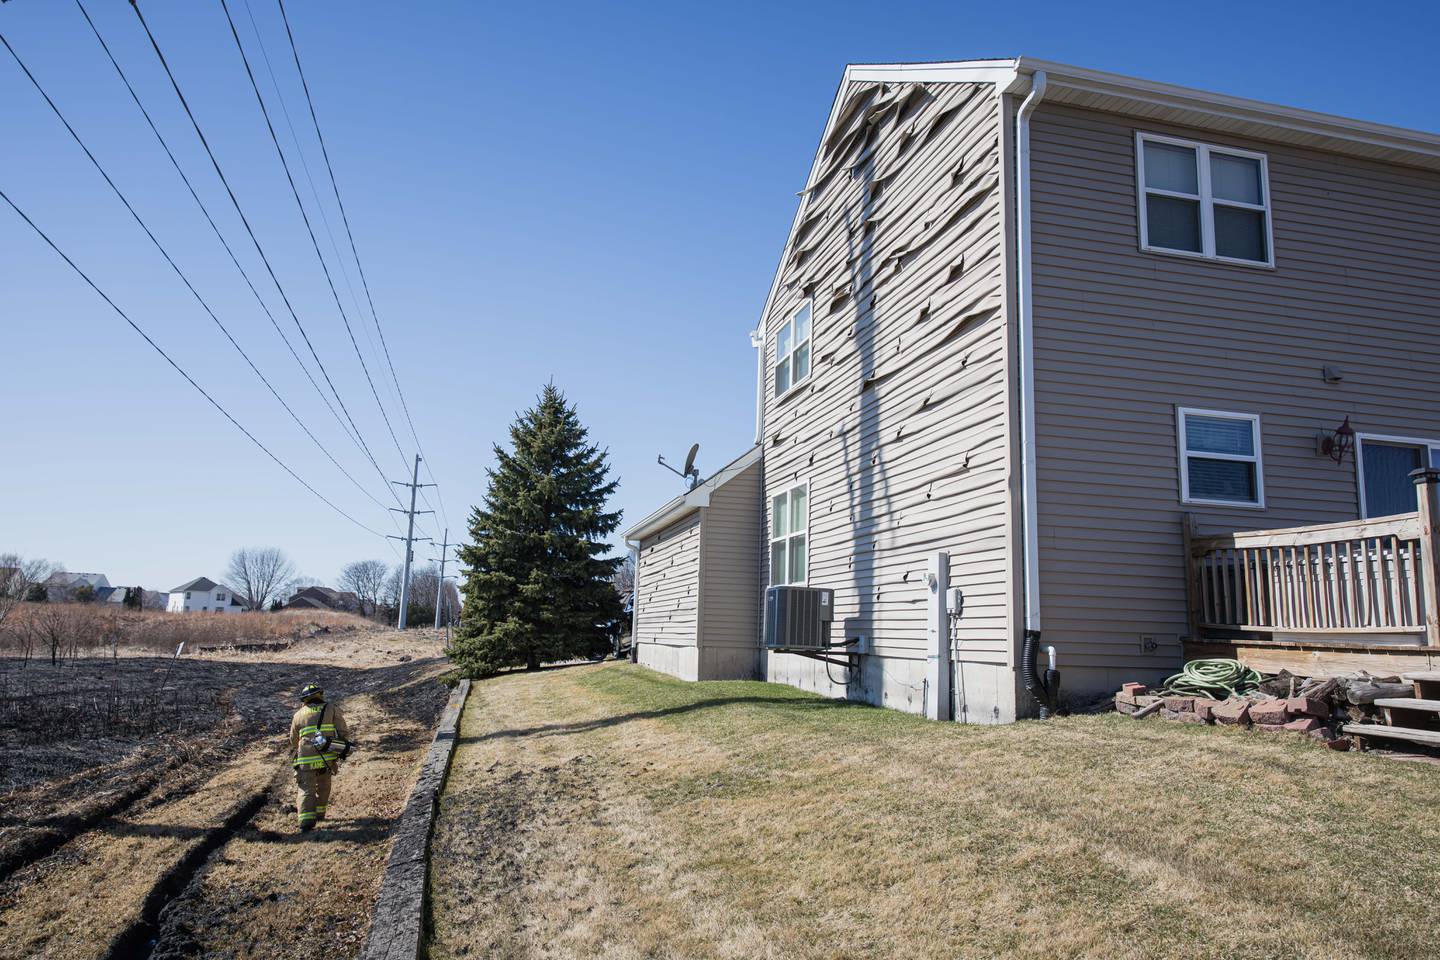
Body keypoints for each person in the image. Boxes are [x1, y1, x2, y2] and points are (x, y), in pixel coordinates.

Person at [289, 682, 351, 833]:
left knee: (306, 789)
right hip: (326, 757)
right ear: (320, 695)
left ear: (304, 700)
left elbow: (293, 740)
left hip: (305, 759)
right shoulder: (330, 708)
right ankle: (319, 813)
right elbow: (342, 730)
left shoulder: (298, 715)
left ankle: (305, 822)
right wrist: (341, 746)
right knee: (324, 785)